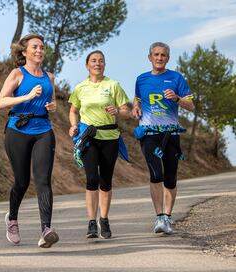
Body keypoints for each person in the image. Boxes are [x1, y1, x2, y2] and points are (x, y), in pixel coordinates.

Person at [0, 33, 59, 248]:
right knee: (22, 181)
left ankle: (46, 230)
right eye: (35, 47)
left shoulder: (49, 77)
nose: (40, 50)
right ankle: (12, 218)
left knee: (43, 180)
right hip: (18, 130)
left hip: (43, 129)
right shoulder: (17, 73)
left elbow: (52, 102)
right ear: (25, 52)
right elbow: (1, 101)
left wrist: (52, 106)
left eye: (42, 47)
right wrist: (27, 96)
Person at [132, 42, 194, 234]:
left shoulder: (176, 78)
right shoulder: (141, 79)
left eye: (163, 55)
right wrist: (136, 107)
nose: (159, 58)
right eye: (156, 54)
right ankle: (159, 217)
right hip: (149, 133)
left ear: (168, 58)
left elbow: (191, 106)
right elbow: (137, 99)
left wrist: (176, 98)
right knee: (156, 174)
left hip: (171, 134)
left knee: (170, 178)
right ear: (149, 57)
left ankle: (167, 216)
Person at [68, 50, 130, 239]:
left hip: (110, 136)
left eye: (101, 61)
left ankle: (104, 219)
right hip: (89, 137)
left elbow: (127, 110)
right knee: (92, 179)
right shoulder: (80, 87)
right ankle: (91, 223)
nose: (97, 63)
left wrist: (118, 110)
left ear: (104, 64)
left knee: (105, 180)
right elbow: (73, 110)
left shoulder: (113, 85)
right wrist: (73, 126)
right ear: (87, 65)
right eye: (94, 61)